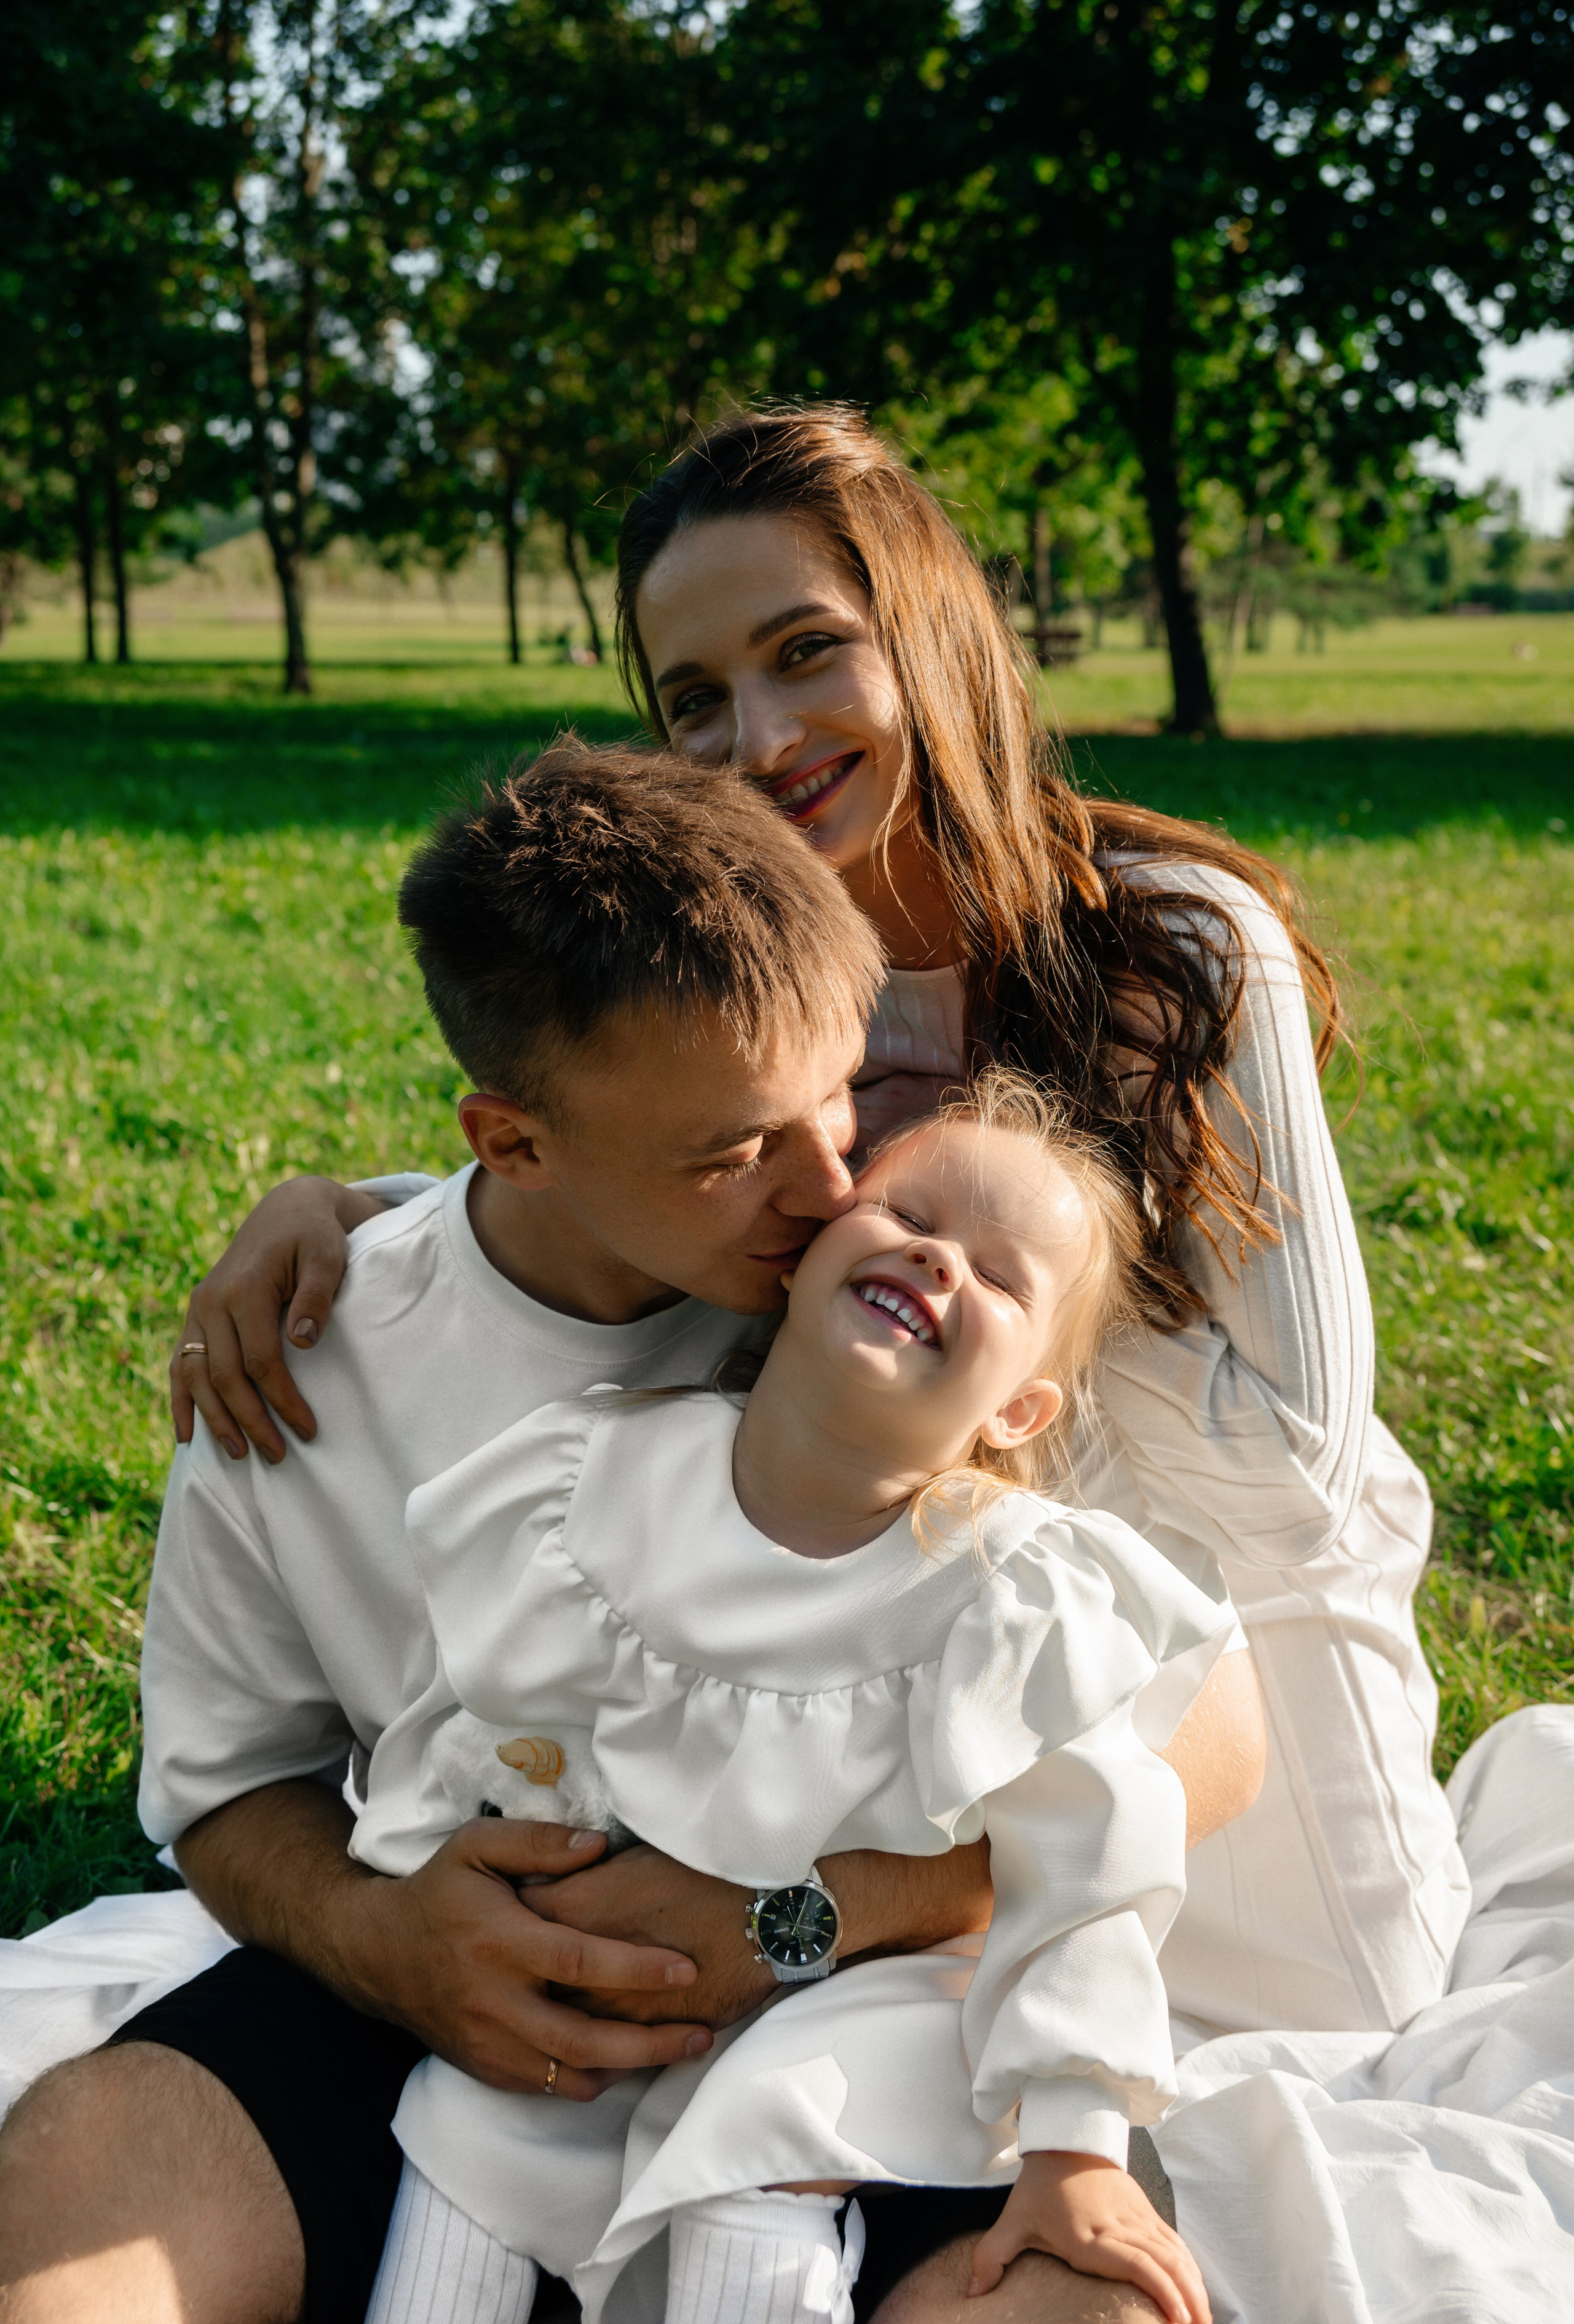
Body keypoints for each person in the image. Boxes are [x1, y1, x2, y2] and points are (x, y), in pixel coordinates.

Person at [194, 403, 1466, 2044]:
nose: (760, 733)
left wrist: (991, 1287)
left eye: (808, 651)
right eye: (694, 697)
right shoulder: (757, 975)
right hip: (895, 1671)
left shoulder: (1183, 945)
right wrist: (348, 1211)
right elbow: (635, 1171)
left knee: (1325, 2089)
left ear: (925, 635)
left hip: (1225, 1663)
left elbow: (1296, 1453)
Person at [0, 745, 1260, 2324]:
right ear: (512, 1143)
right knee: (76, 2194)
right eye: (737, 1154)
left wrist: (798, 1921)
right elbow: (221, 1785)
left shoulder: (897, 1303)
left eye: (839, 1098)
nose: (827, 1187)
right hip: (447, 2005)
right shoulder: (301, 1356)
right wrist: (396, 1945)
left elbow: (1195, 1733)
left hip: (839, 2047)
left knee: (1094, 2302)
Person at [353, 1081, 1235, 2324]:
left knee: (762, 2157)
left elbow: (1090, 1865)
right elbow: (484, 1716)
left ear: (1015, 1410)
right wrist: (444, 1875)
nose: (936, 1257)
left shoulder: (1014, 1592)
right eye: (907, 1212)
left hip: (863, 1998)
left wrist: (1076, 2144)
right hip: (607, 1979)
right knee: (476, 2143)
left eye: (998, 1275)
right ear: (806, 1247)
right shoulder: (595, 1482)